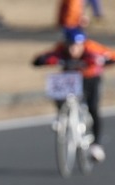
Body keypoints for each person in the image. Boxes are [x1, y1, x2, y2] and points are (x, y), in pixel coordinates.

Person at [32, 27, 113, 162]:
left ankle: (96, 145)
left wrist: (101, 60)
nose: (72, 50)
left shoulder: (92, 47)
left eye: (76, 46)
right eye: (70, 45)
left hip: (90, 78)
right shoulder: (60, 48)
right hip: (70, 78)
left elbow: (110, 55)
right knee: (57, 86)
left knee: (93, 108)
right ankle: (61, 115)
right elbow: (44, 57)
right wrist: (45, 60)